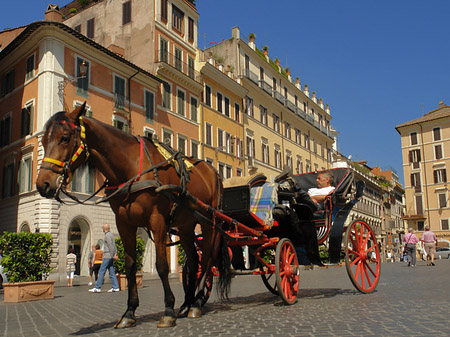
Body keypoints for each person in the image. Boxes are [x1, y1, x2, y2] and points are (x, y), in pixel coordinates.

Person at [89, 224, 120, 293]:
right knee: (111, 272)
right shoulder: (111, 235)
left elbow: (110, 246)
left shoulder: (107, 236)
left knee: (101, 271)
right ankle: (116, 287)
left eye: (102, 227)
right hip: (110, 256)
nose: (102, 228)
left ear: (104, 229)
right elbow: (114, 246)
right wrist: (115, 253)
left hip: (107, 256)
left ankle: (97, 287)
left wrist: (112, 255)